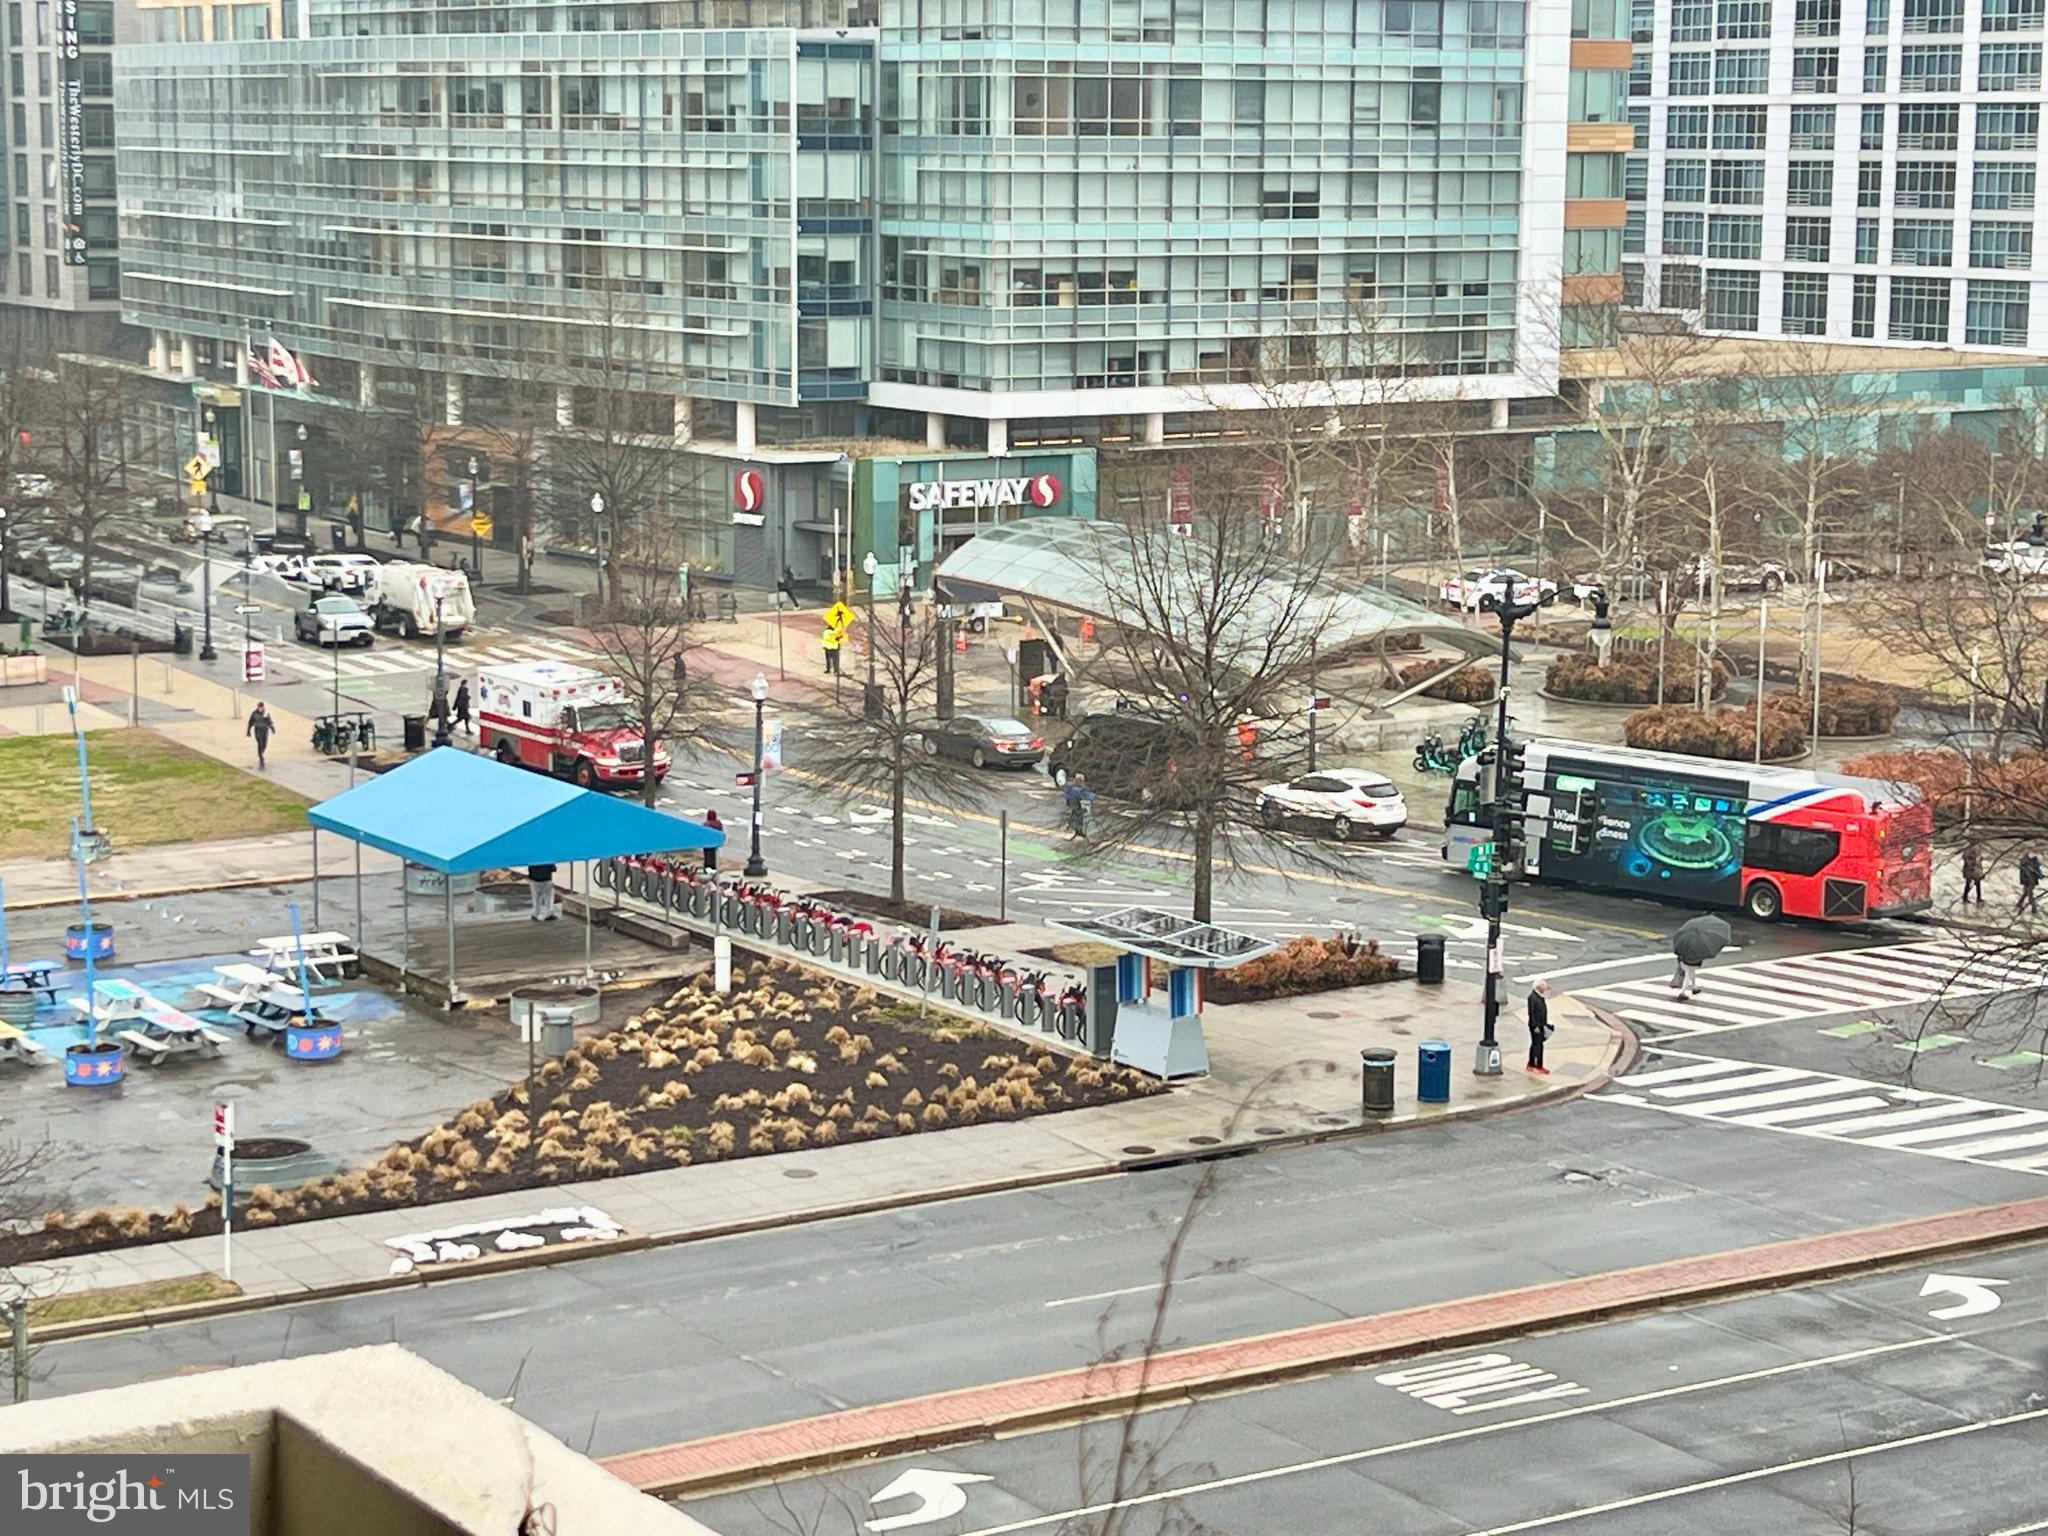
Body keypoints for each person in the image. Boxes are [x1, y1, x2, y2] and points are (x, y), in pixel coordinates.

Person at [1525, 979, 1553, 1075]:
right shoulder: (1532, 998)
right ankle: (1536, 1065)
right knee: (1537, 1045)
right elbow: (1531, 1013)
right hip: (1536, 1026)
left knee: (1537, 1044)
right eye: (1543, 986)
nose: (1545, 988)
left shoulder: (1539, 996)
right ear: (1538, 987)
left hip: (1540, 1025)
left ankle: (1533, 1064)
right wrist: (1535, 1026)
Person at [245, 702, 274, 771]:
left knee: (264, 745)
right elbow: (250, 723)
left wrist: (272, 728)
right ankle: (261, 757)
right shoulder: (254, 714)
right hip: (258, 732)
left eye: (261, 707)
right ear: (257, 707)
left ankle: (261, 753)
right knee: (260, 744)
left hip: (265, 731)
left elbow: (269, 721)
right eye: (259, 707)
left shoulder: (266, 714)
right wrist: (248, 731)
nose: (260, 709)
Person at [1063, 773, 1094, 837]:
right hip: (1075, 803)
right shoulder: (1073, 787)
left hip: (1078, 803)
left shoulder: (1079, 786)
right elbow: (1083, 794)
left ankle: (1077, 829)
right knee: (1077, 815)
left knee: (1078, 816)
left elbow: (1087, 793)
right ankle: (1073, 828)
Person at [2020, 850, 2042, 914]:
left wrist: (2041, 876)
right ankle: (2034, 908)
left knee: (2026, 893)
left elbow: (2037, 871)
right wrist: (2040, 876)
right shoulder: (2029, 864)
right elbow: (2035, 872)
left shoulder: (2028, 863)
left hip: (2027, 880)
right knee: (2030, 894)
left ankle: (2019, 904)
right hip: (2029, 881)